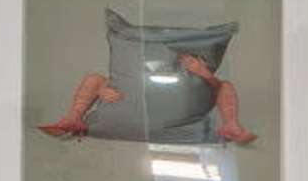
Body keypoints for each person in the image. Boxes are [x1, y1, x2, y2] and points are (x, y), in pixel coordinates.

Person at [37, 49, 256, 146]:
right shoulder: (146, 67)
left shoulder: (199, 75)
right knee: (95, 78)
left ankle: (231, 125)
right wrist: (103, 89)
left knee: (225, 84)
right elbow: (125, 82)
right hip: (137, 102)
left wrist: (205, 74)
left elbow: (218, 88)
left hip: (180, 107)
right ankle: (73, 118)